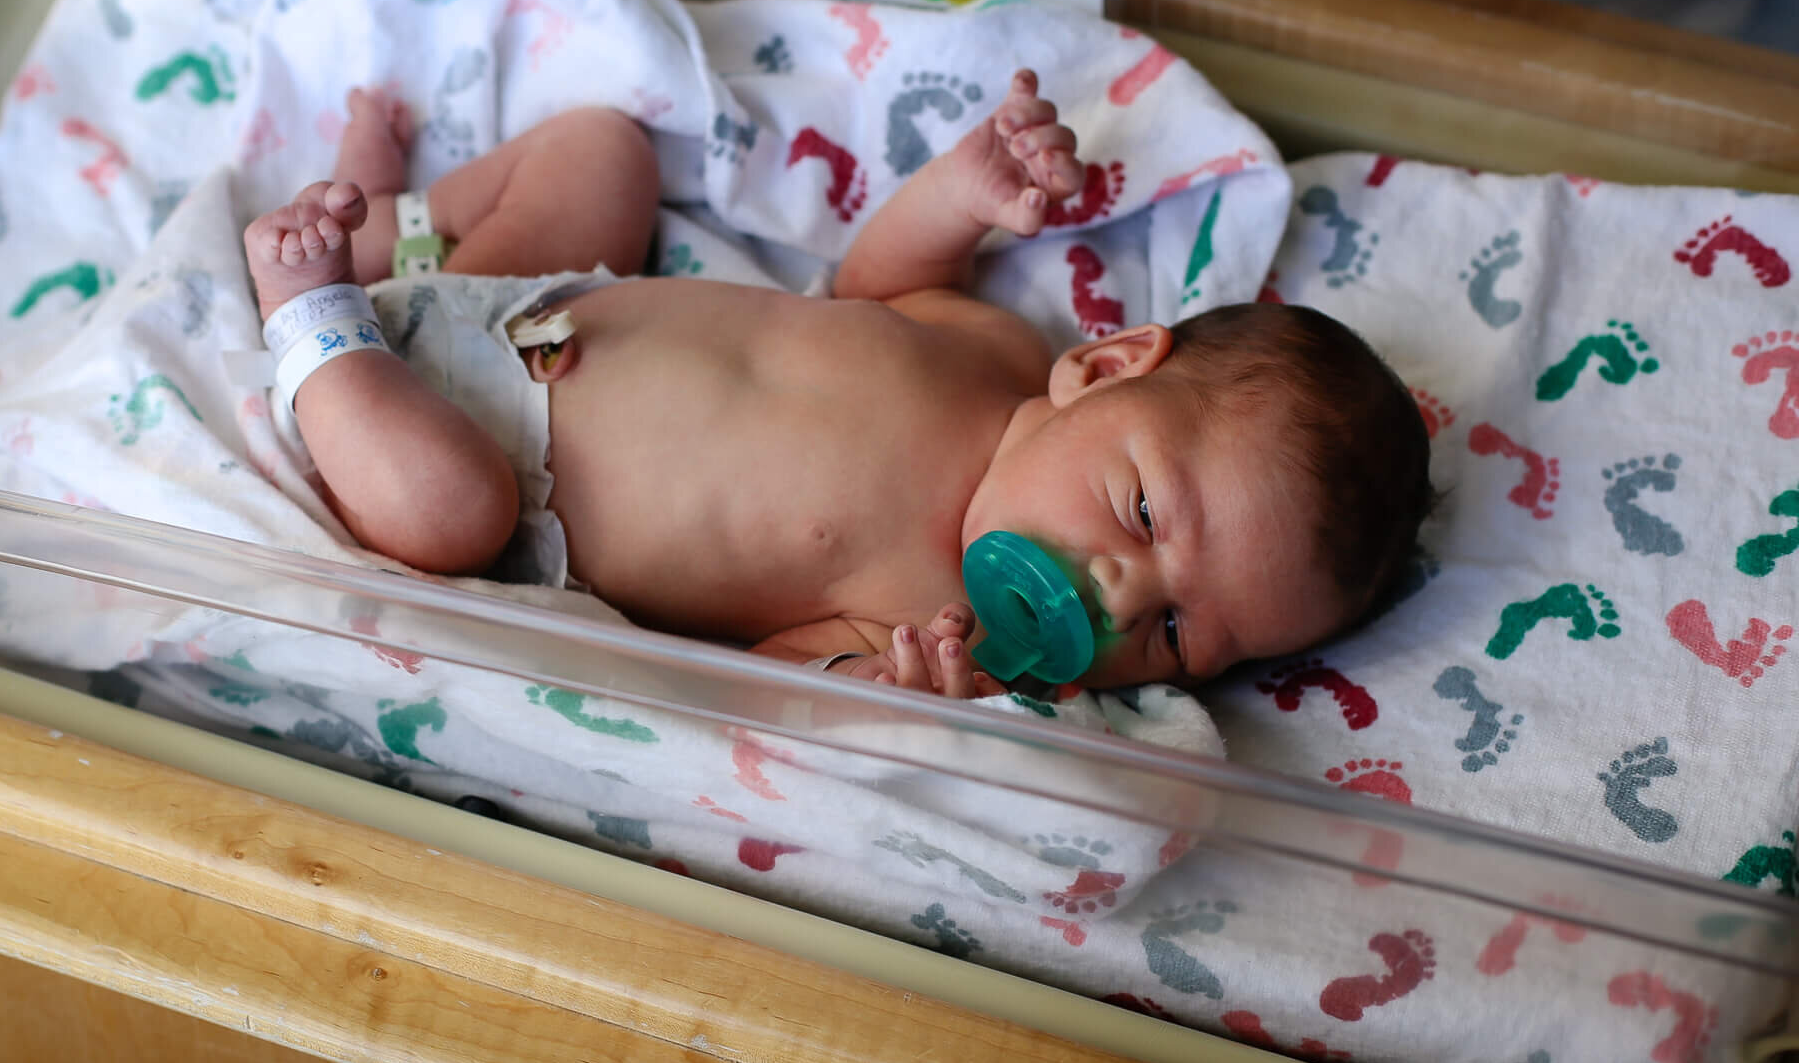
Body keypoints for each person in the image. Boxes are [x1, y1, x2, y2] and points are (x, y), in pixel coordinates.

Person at [243, 71, 1432, 698]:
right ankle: (378, 221)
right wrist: (962, 192)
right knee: (599, 149)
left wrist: (873, 689)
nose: (1119, 596)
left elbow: (762, 678)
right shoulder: (998, 349)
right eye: (1141, 514)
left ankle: (304, 316)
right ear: (1105, 367)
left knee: (450, 512)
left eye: (1176, 635)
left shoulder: (934, 620)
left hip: (477, 464)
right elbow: (873, 283)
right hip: (524, 305)